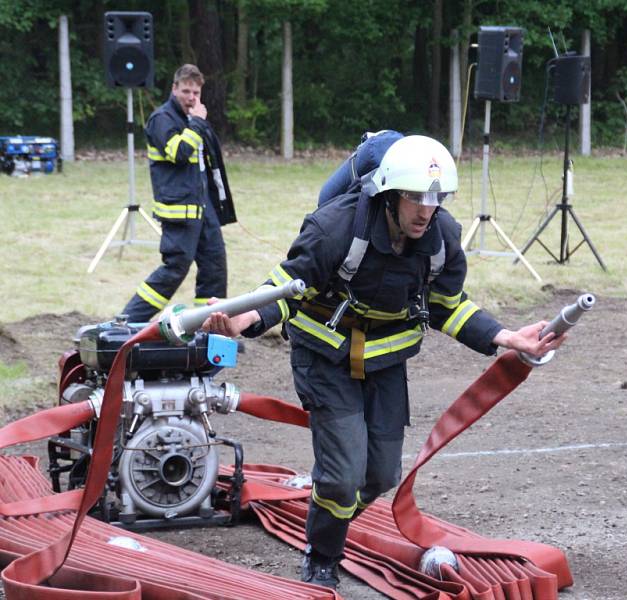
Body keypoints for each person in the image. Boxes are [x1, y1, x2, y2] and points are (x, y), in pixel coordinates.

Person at [203, 135, 566, 589]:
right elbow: (287, 289)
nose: (425, 210)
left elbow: (447, 306)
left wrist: (509, 337)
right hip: (325, 357)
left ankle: (326, 518)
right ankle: (322, 554)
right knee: (342, 477)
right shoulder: (333, 228)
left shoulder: (442, 241)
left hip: (386, 364)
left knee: (380, 474)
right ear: (389, 194)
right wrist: (245, 319)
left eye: (436, 198)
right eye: (416, 197)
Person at [121, 64, 236, 322]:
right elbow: (179, 153)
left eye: (196, 93)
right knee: (174, 270)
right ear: (174, 89)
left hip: (203, 211)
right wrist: (196, 124)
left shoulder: (190, 119)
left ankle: (207, 328)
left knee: (215, 270)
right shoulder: (161, 119)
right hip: (179, 213)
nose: (191, 98)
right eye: (186, 91)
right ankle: (127, 321)